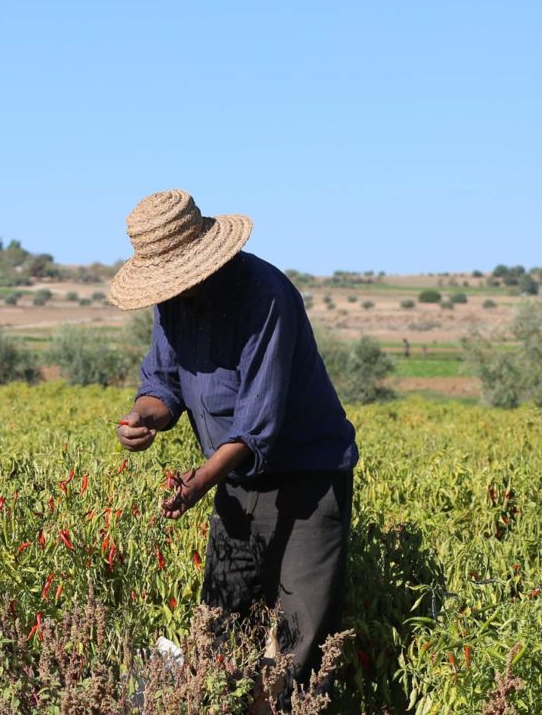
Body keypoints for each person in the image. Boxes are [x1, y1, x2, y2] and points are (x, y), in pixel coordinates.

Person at [107, 189, 358, 701]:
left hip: (307, 479)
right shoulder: (173, 302)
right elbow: (162, 385)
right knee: (220, 628)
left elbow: (255, 424)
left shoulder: (265, 295)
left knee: (300, 642)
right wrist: (141, 418)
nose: (173, 290)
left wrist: (198, 483)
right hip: (235, 479)